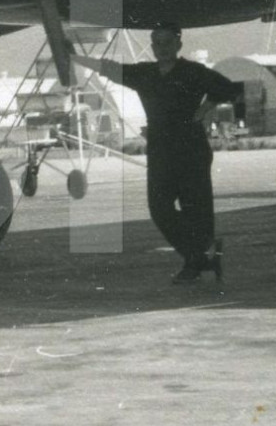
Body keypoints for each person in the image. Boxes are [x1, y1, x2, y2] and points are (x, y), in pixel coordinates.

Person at [71, 25, 238, 284]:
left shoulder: (194, 71)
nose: (161, 48)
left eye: (167, 42)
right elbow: (110, 69)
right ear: (152, 46)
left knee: (198, 210)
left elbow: (228, 88)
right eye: (157, 43)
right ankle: (202, 254)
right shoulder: (145, 74)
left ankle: (195, 262)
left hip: (191, 148)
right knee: (159, 208)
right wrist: (74, 58)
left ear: (178, 45)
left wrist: (206, 108)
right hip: (161, 150)